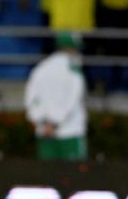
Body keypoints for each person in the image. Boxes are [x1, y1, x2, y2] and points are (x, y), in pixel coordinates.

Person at [24, 32, 87, 161]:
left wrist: (42, 123)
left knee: (48, 178)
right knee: (76, 178)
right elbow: (72, 99)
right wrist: (54, 123)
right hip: (70, 132)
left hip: (45, 133)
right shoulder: (73, 69)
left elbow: (31, 100)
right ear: (70, 48)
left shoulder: (40, 68)